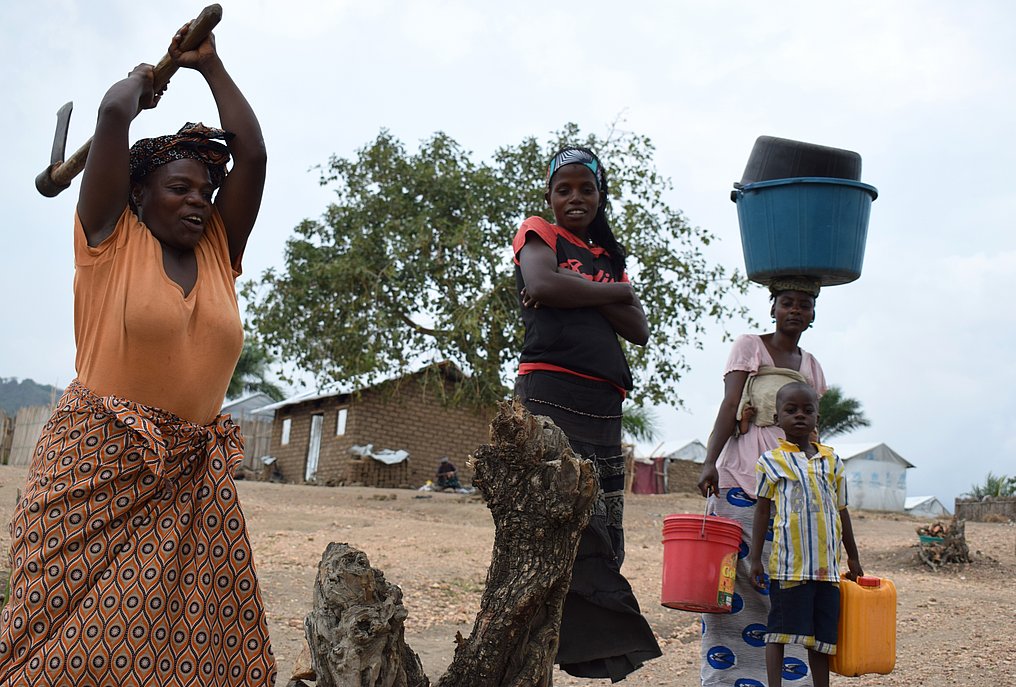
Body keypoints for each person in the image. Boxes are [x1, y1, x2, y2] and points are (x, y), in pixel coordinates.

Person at [0, 24, 275, 685]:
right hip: (92, 469)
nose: (197, 203)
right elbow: (110, 116)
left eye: (205, 193)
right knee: (58, 647)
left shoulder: (216, 249)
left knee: (189, 648)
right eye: (179, 189)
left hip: (187, 474)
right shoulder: (107, 236)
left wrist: (209, 66)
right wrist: (141, 86)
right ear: (136, 194)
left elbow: (255, 156)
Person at [513, 147, 661, 683]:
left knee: (603, 530)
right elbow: (543, 284)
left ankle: (590, 649)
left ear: (600, 196)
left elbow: (638, 330)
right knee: (561, 524)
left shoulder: (605, 253)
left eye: (586, 190)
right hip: (550, 392)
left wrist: (588, 290)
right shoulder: (538, 233)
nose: (575, 198)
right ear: (550, 197)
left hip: (603, 402)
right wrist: (615, 291)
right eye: (564, 190)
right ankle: (541, 646)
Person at [696, 277, 826, 686]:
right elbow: (730, 405)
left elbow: (814, 433)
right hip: (741, 481)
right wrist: (708, 462)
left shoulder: (812, 366)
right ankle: (726, 676)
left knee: (787, 585)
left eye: (804, 305)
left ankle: (790, 679)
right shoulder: (749, 345)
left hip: (791, 491)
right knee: (731, 584)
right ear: (773, 308)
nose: (795, 311)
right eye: (787, 302)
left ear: (812, 314)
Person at [748, 382, 862, 687]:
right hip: (790, 568)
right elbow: (761, 512)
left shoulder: (832, 462)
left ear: (817, 418)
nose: (800, 415)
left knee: (821, 639)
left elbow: (842, 511)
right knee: (779, 631)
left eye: (807, 410)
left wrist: (853, 556)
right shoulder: (770, 462)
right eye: (791, 410)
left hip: (827, 570)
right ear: (776, 418)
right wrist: (755, 558)